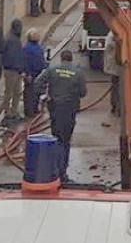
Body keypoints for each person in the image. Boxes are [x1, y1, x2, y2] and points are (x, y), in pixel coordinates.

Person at [34, 49, 88, 182]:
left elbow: (38, 82)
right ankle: (62, 172)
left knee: (56, 138)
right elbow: (83, 92)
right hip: (69, 109)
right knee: (66, 141)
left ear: (61, 59)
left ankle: (54, 169)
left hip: (55, 108)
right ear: (71, 59)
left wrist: (44, 95)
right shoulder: (78, 73)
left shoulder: (52, 70)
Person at [1, 18, 26, 120]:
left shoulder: (13, 38)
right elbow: (12, 56)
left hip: (15, 69)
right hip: (12, 69)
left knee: (16, 92)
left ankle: (13, 111)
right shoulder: (12, 40)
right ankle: (7, 111)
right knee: (10, 92)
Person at [23, 29, 47, 119]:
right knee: (29, 93)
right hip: (31, 74)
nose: (38, 36)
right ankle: (29, 111)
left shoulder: (38, 47)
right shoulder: (26, 48)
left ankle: (35, 108)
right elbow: (25, 62)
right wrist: (27, 74)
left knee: (37, 92)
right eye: (35, 35)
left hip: (38, 73)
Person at [103, 32, 120, 115]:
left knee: (116, 86)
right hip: (116, 66)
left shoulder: (112, 34)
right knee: (117, 86)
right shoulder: (113, 35)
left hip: (116, 66)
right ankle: (117, 107)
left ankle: (116, 106)